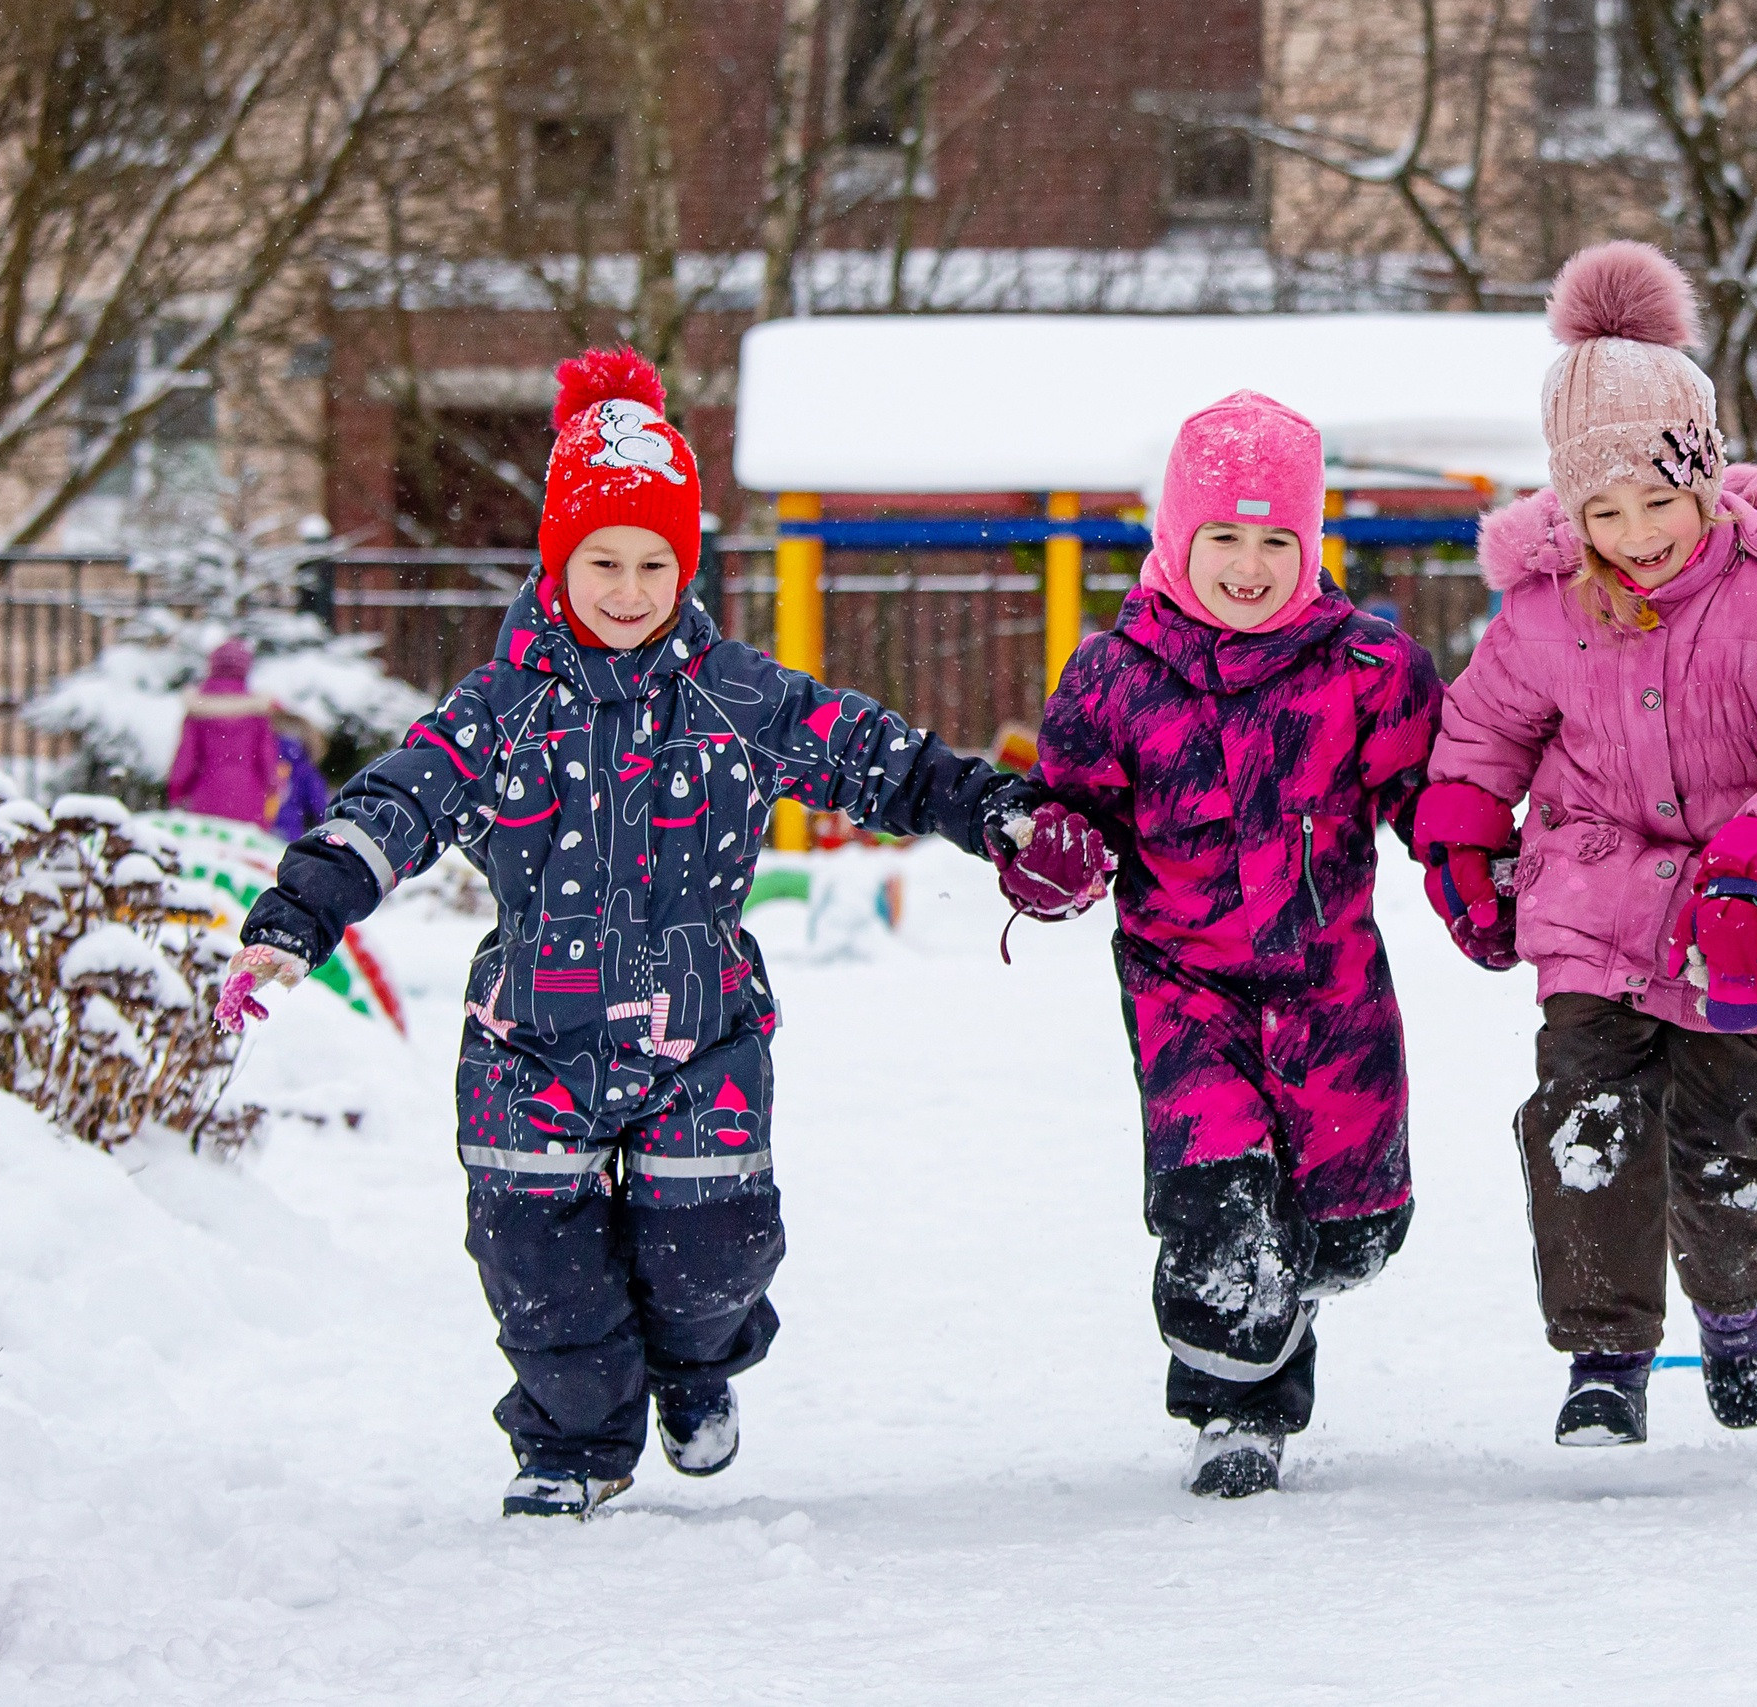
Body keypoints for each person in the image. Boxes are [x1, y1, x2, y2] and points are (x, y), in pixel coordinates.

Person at [214, 349, 1111, 1519]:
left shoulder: (736, 699)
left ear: (684, 568)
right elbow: (396, 805)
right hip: (530, 1036)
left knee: (714, 1248)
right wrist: (300, 914)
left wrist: (996, 814)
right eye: (602, 561)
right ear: (556, 563)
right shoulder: (499, 711)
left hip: (701, 1031)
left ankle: (695, 1372)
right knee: (538, 1267)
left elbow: (880, 759)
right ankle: (573, 1448)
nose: (628, 588)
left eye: (654, 562)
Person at [1416, 240, 1757, 1449]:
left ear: (1708, 481)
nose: (1634, 534)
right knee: (1583, 1122)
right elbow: (1481, 730)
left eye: (1657, 502)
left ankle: (1736, 1309)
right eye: (1602, 510)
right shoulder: (1545, 608)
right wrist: (1464, 842)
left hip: (1734, 919)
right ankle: (1605, 1358)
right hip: (1586, 897)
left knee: (1725, 1134)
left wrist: (1752, 864)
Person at [1026, 390, 1442, 1498]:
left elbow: (1434, 800)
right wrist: (1055, 854)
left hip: (1330, 989)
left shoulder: (1366, 669)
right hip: (1186, 990)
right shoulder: (1117, 676)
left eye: (1276, 540)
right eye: (1224, 537)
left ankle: (1288, 1295)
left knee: (1344, 1229)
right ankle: (1233, 1409)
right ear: (1177, 537)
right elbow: (1074, 809)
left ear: (1310, 547)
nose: (1248, 565)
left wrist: (1485, 874)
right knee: (1218, 1209)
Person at [167, 638, 277, 824]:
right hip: (248, 795)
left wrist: (176, 791)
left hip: (205, 794)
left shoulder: (198, 710)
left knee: (206, 848)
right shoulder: (257, 713)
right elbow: (267, 759)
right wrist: (272, 786)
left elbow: (186, 757)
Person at [268, 715, 333, 840]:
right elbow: (321, 807)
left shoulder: (261, 757)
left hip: (253, 824)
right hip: (287, 831)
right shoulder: (305, 770)